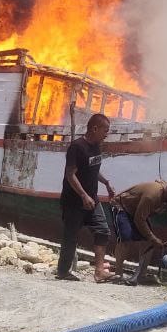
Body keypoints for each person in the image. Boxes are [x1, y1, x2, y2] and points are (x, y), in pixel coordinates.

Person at [56, 113, 115, 282]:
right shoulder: (77, 147)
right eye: (105, 130)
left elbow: (92, 168)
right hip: (74, 202)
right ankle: (62, 272)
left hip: (92, 200)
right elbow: (70, 174)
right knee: (71, 237)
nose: (106, 134)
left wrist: (106, 182)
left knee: (103, 230)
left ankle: (99, 271)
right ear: (94, 128)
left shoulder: (97, 146)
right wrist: (83, 195)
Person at [110, 179, 167, 286]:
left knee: (149, 243)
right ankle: (118, 273)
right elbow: (139, 219)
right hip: (122, 207)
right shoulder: (153, 194)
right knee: (125, 239)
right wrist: (153, 238)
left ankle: (141, 275)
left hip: (139, 212)